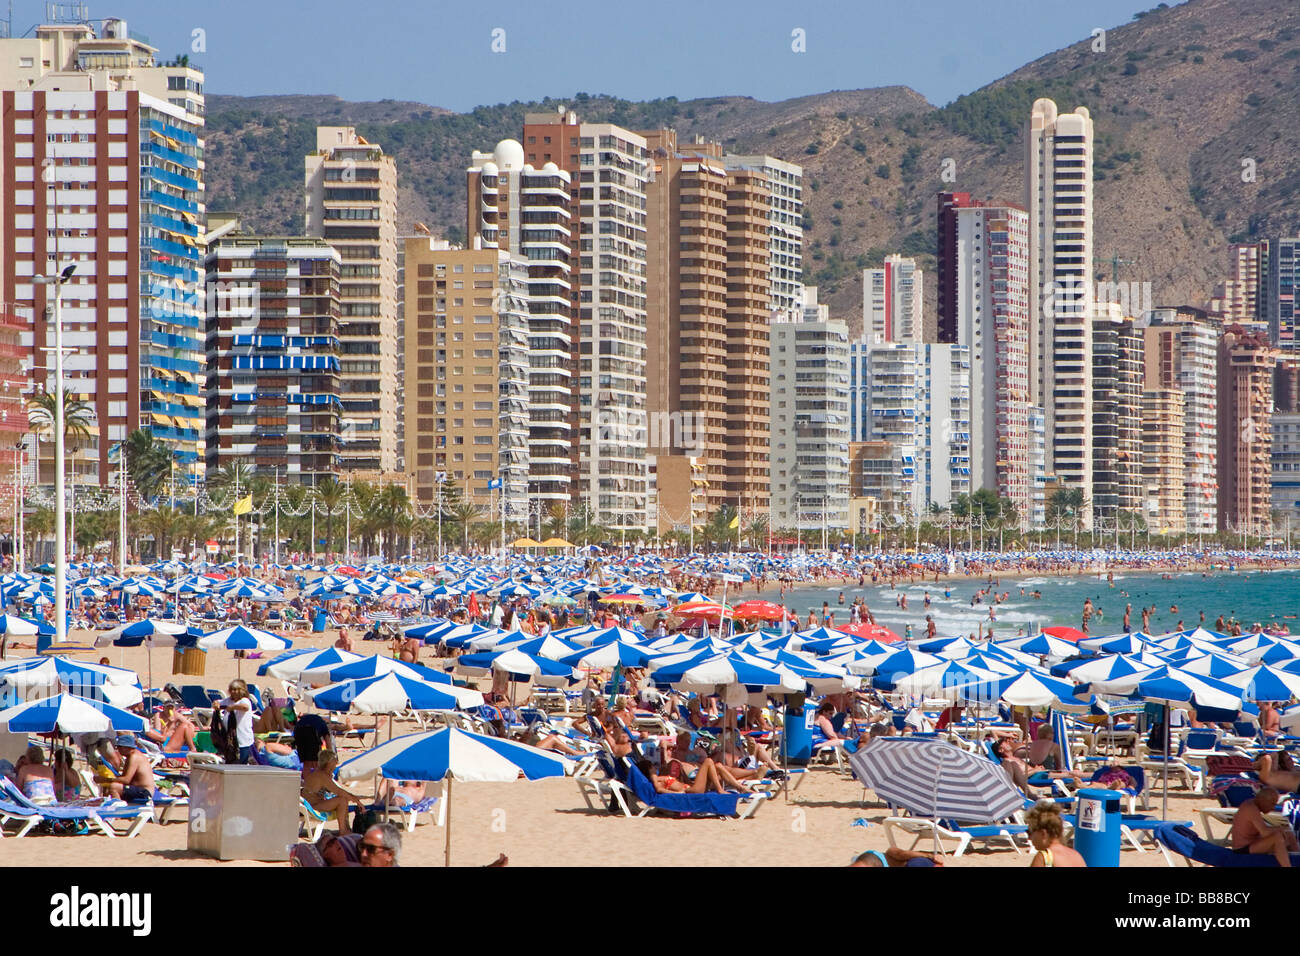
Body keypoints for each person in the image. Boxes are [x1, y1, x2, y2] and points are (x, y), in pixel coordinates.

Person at [301, 749, 365, 835]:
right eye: (335, 761)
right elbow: (339, 791)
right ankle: (343, 831)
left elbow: (337, 790)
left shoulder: (319, 774)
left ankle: (346, 828)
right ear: (329, 763)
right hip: (312, 806)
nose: (336, 764)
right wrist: (357, 801)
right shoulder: (322, 776)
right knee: (342, 801)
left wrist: (352, 797)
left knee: (343, 799)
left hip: (310, 804)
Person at [1229, 787, 1297, 867]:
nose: (1273, 808)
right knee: (1277, 838)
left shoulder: (1252, 804)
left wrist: (1284, 831)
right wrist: (1280, 829)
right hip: (1242, 849)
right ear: (1262, 800)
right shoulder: (1251, 808)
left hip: (1252, 844)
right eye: (1272, 804)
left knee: (1288, 834)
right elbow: (1264, 832)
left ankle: (1297, 859)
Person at [1025, 802, 1086, 867]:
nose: (1029, 838)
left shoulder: (1044, 857)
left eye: (1030, 832)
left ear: (1043, 833)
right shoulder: (1076, 856)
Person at [101, 734, 158, 803]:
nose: (118, 750)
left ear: (126, 747)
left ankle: (119, 810)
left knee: (114, 787)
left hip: (144, 792)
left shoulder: (134, 757)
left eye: (119, 747)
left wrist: (105, 780)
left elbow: (126, 780)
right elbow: (124, 778)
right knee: (110, 787)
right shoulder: (130, 756)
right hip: (139, 789)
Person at [214, 679, 256, 763]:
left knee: (240, 763)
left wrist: (233, 707)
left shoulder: (245, 700)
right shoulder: (229, 700)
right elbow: (218, 702)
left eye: (235, 690)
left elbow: (245, 707)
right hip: (231, 740)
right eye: (231, 689)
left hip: (243, 741)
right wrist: (216, 704)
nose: (233, 692)